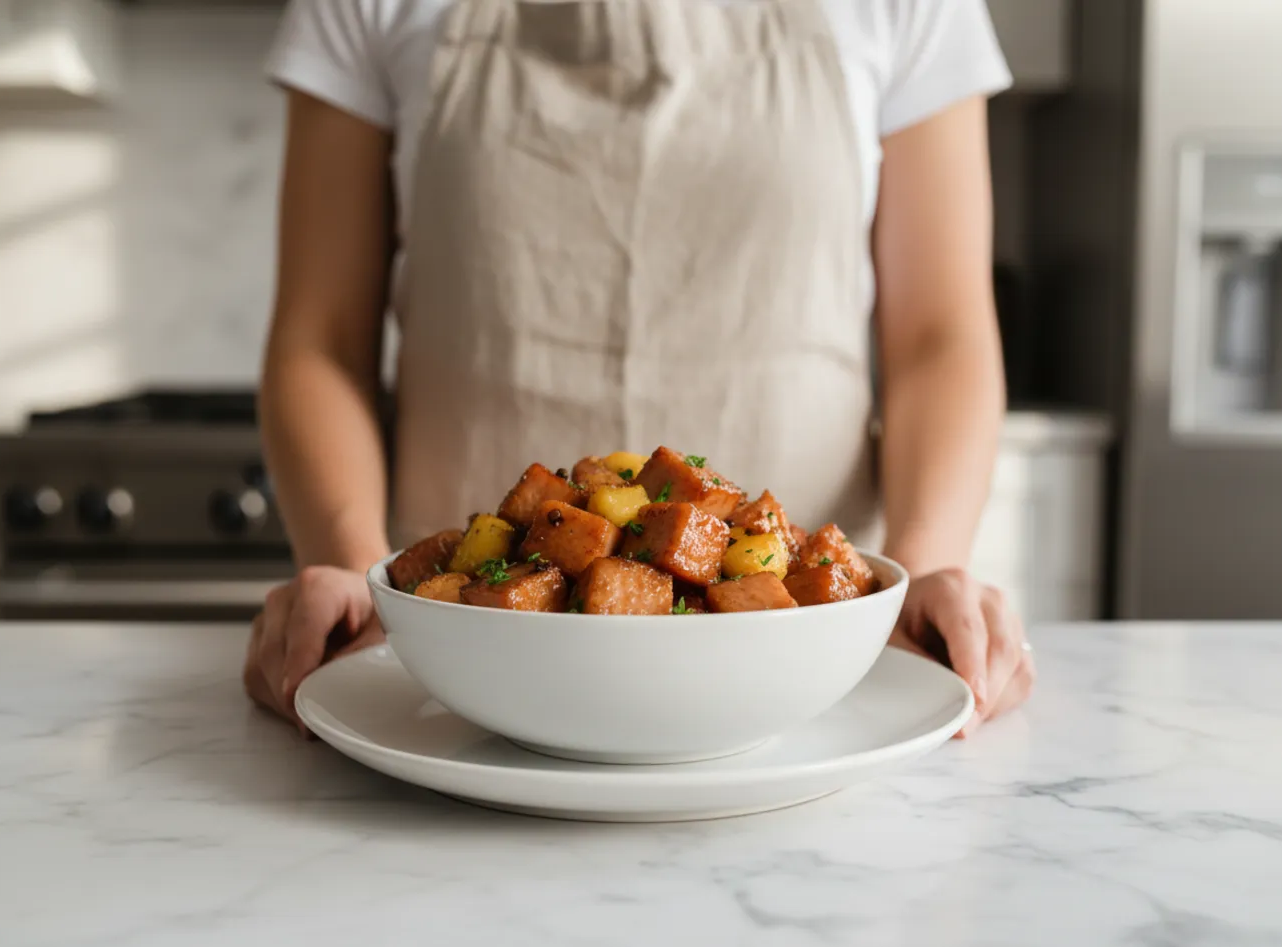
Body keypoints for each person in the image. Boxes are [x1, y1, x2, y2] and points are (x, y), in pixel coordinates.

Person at [243, 0, 1036, 739]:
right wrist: (353, 566)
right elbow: (321, 338)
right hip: (456, 670)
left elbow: (939, 336)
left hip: (806, 667)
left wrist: (921, 566)